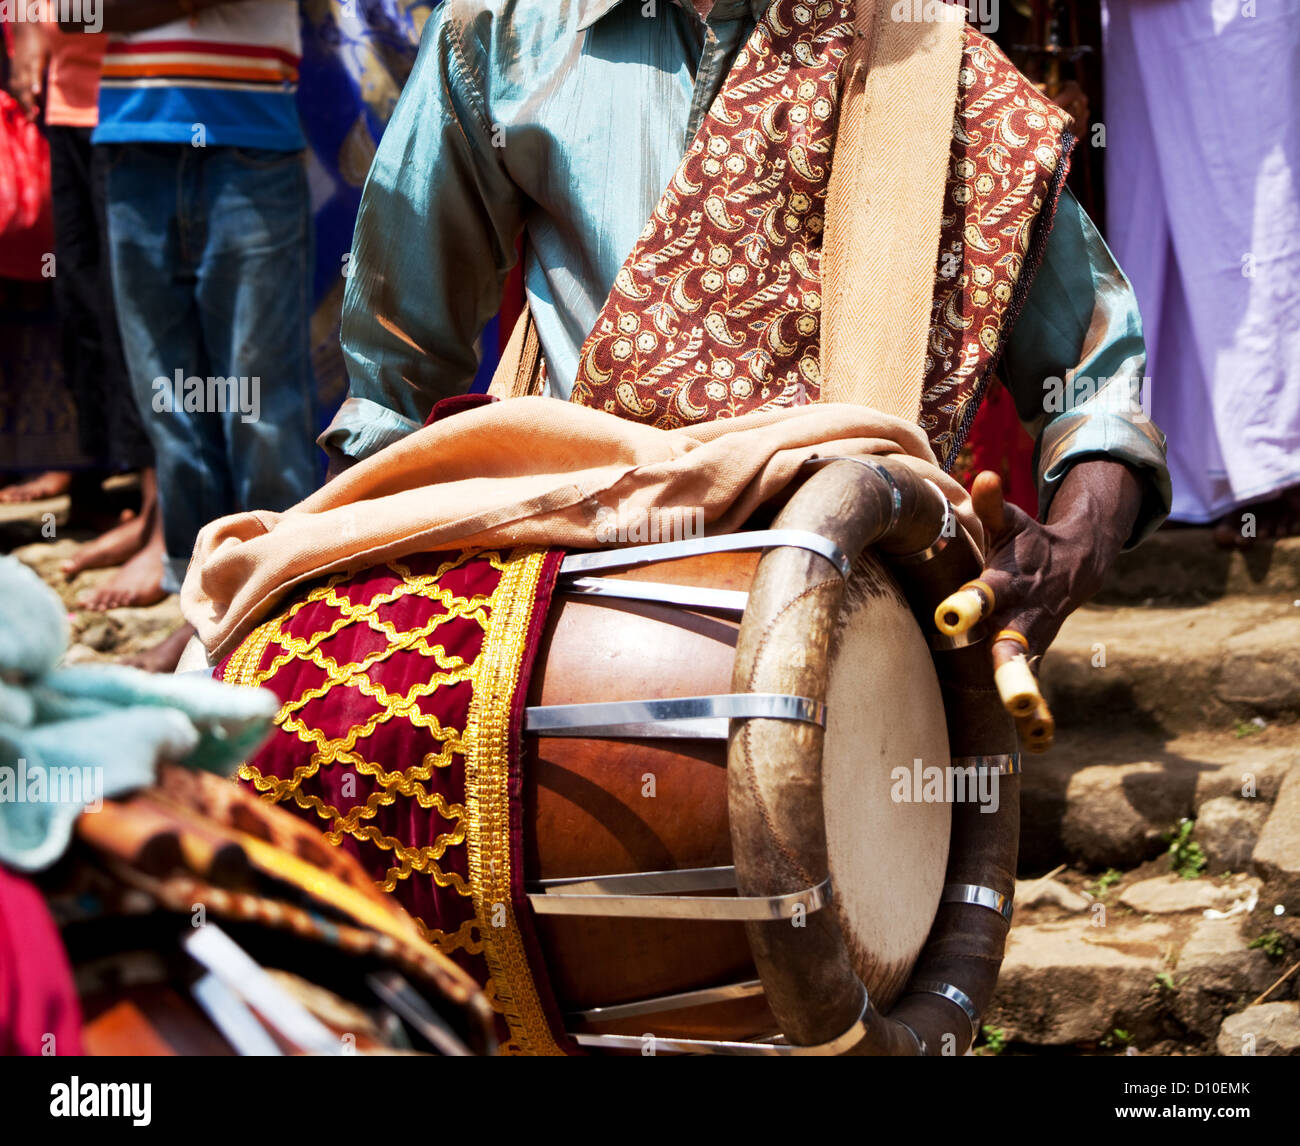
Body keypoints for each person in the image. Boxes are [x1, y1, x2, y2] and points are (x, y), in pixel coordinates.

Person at [324, 0, 1171, 676]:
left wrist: (1067, 552)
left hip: (858, 627)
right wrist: (306, 582)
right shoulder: (504, 32)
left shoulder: (932, 67)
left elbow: (1097, 388)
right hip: (557, 615)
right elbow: (391, 389)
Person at [92, 0, 322, 668]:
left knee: (260, 406)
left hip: (247, 139)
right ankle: (201, 622)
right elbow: (72, 17)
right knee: (172, 407)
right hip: (131, 142)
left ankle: (277, 613)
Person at [1103, 0, 1300, 546]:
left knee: (1243, 209)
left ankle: (1275, 466)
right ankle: (1194, 470)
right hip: (1131, 14)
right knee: (1152, 221)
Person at [5, 10, 165, 609]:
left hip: (134, 100)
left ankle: (162, 521)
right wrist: (26, 23)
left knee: (140, 316)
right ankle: (145, 510)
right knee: (89, 307)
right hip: (68, 98)